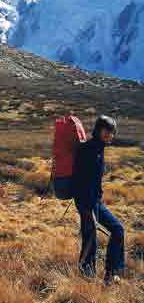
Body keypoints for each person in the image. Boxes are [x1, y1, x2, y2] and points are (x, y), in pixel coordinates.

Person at [73, 115, 125, 284]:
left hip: (95, 202)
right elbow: (80, 180)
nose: (110, 135)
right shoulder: (88, 149)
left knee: (117, 230)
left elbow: (94, 180)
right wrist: (86, 208)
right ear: (98, 130)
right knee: (90, 241)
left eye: (112, 132)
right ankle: (86, 279)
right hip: (86, 203)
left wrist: (98, 198)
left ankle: (111, 273)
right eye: (107, 131)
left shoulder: (99, 148)